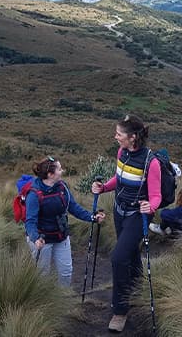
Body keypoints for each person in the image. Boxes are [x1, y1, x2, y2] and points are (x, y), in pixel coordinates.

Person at [91, 115, 161, 333]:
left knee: (118, 257)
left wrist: (150, 207)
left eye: (119, 134)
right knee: (130, 255)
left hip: (137, 215)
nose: (115, 137)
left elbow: (156, 195)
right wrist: (103, 188)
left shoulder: (152, 162)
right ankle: (138, 289)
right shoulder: (122, 153)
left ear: (132, 137)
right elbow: (119, 178)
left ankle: (120, 310)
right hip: (119, 210)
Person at [25, 156, 105, 287]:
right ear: (50, 174)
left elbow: (73, 207)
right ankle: (43, 304)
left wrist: (92, 217)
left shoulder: (62, 187)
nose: (62, 171)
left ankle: (63, 300)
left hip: (61, 237)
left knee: (65, 272)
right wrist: (35, 238)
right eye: (59, 169)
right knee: (42, 276)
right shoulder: (34, 194)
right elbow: (30, 221)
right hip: (42, 240)